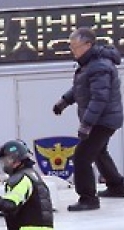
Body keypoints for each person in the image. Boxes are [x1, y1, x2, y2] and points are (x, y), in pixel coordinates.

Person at [53, 27, 124, 210]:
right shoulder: (89, 63)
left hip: (102, 120)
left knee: (82, 157)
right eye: (71, 47)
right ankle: (117, 186)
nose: (72, 51)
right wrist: (64, 101)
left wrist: (87, 124)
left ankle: (88, 199)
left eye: (75, 46)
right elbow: (82, 88)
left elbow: (99, 99)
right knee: (99, 152)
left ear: (88, 45)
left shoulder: (99, 66)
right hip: (104, 118)